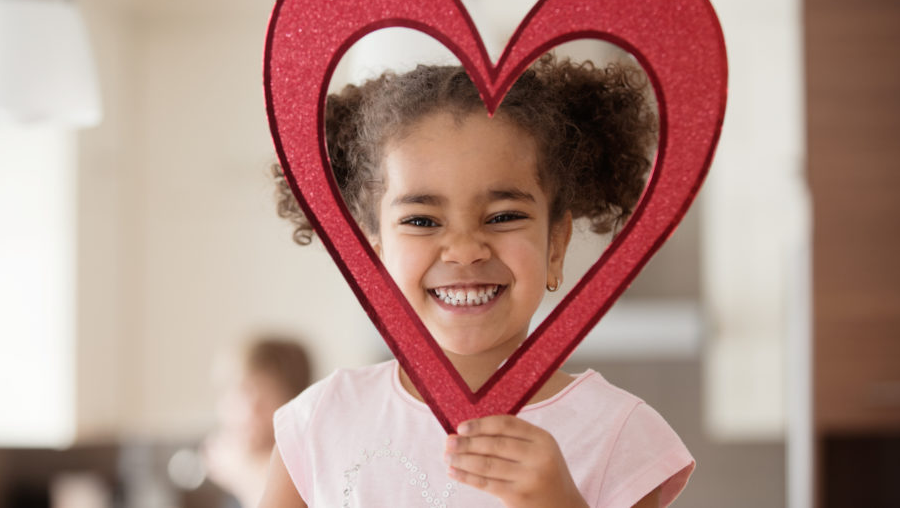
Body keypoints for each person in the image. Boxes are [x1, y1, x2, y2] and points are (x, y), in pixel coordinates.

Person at [262, 54, 693, 508]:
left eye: (503, 217)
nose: (466, 249)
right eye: (423, 221)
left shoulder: (619, 435)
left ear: (555, 247)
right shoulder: (318, 423)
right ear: (374, 254)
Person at [203, 338, 311, 507]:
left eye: (263, 395)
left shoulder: (303, 475)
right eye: (237, 392)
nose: (248, 412)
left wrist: (243, 477)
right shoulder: (226, 468)